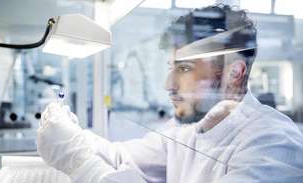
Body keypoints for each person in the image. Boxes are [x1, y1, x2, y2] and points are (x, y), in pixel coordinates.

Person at [37, 5, 303, 183]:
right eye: (171, 68)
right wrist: (71, 135)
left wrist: (79, 161)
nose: (169, 84)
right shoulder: (185, 129)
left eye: (185, 68)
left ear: (234, 73)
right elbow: (121, 158)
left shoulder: (272, 144)